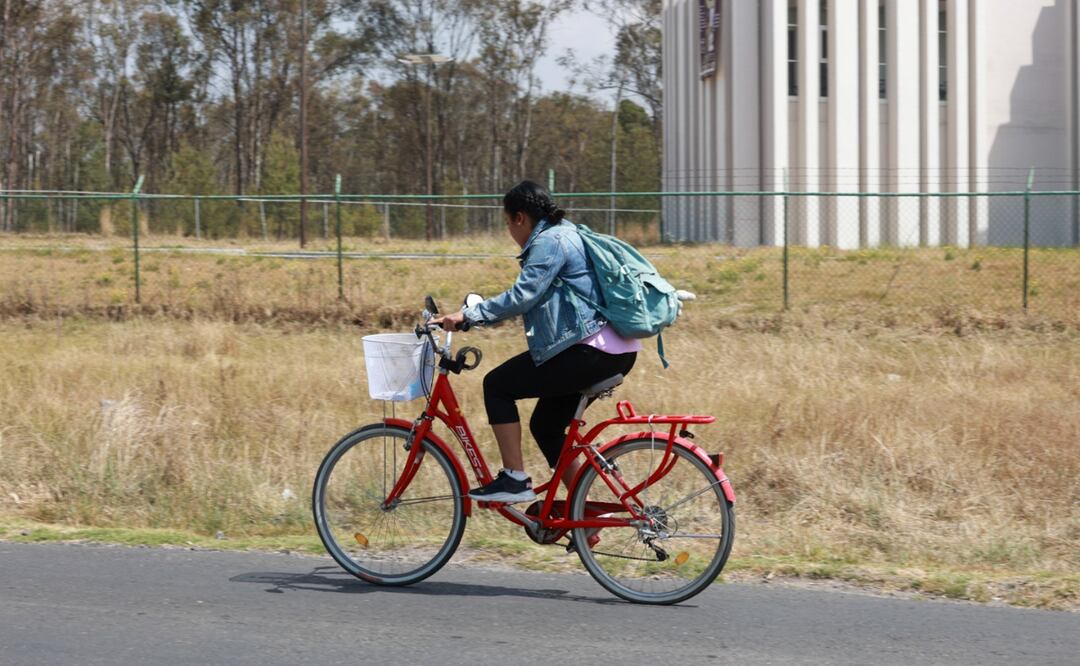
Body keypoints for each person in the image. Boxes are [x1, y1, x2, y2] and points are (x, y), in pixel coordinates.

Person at [432, 180, 641, 503]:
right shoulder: (568, 232)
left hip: (590, 352)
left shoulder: (550, 241)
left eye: (507, 223)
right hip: (613, 349)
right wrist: (477, 315)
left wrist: (468, 315)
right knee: (546, 427)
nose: (510, 232)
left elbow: (523, 295)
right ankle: (582, 515)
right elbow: (530, 298)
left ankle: (514, 480)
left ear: (519, 218)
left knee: (497, 385)